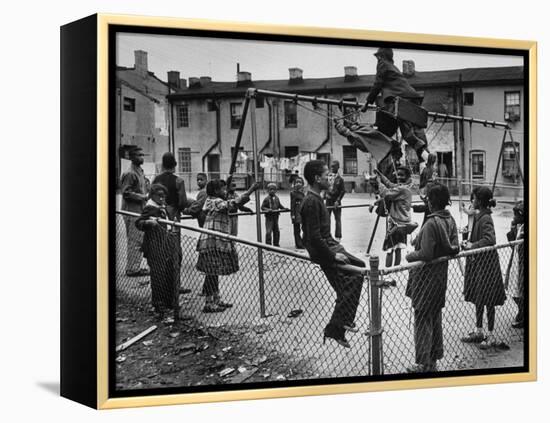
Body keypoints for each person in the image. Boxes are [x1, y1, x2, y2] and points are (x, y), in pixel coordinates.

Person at [300, 160, 366, 348]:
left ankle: (343, 319)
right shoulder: (311, 201)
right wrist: (332, 255)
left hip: (330, 245)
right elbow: (312, 237)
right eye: (326, 175)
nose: (330, 178)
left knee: (359, 268)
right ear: (316, 178)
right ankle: (336, 327)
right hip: (325, 250)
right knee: (351, 280)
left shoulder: (316, 197)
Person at [405, 182, 459, 373]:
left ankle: (422, 363)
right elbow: (449, 246)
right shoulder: (449, 219)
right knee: (434, 318)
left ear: (431, 201)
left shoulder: (431, 223)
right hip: (439, 279)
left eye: (427, 197)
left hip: (425, 279)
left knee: (421, 319)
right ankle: (433, 360)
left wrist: (410, 255)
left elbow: (426, 254)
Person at [196, 180, 258, 313]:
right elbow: (232, 203)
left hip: (217, 240)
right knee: (211, 272)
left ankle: (216, 299)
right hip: (212, 241)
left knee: (214, 271)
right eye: (223, 189)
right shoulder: (213, 201)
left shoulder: (216, 201)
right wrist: (250, 190)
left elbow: (234, 203)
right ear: (215, 191)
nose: (225, 191)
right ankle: (209, 302)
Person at [360, 47, 430, 165]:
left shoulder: (383, 65)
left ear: (382, 56)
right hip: (413, 98)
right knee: (416, 131)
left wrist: (367, 103)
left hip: (402, 99)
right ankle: (426, 156)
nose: (377, 59)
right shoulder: (394, 68)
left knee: (406, 133)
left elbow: (377, 84)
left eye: (378, 57)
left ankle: (426, 158)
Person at [461, 187, 506, 349]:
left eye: (473, 199)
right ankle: (479, 330)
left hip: (486, 264)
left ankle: (491, 334)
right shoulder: (477, 216)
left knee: (489, 300)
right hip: (477, 263)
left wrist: (473, 245)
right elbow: (475, 234)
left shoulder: (486, 217)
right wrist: (466, 236)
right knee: (478, 297)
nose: (471, 201)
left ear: (479, 201)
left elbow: (490, 239)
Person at [135, 184, 182, 318]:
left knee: (168, 273)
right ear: (152, 196)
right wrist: (149, 223)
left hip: (165, 245)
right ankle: (158, 304)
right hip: (155, 247)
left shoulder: (162, 208)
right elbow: (138, 222)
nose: (162, 198)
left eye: (164, 196)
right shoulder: (150, 208)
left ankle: (169, 302)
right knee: (158, 276)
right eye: (159, 196)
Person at [153, 152, 192, 294]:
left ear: (163, 165)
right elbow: (182, 201)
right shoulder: (179, 181)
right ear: (175, 165)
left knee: (161, 248)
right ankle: (176, 284)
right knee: (175, 249)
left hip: (158, 213)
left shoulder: (156, 179)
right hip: (173, 215)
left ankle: (162, 284)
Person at [374, 166, 416, 267]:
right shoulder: (405, 186)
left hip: (396, 223)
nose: (398, 177)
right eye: (398, 174)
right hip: (404, 223)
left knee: (389, 249)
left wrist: (378, 182)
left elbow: (386, 193)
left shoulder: (402, 189)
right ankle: (396, 270)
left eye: (401, 175)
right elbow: (390, 184)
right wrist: (381, 174)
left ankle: (388, 271)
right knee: (398, 248)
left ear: (407, 177)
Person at [120, 146, 150, 277]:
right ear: (132, 157)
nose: (141, 157)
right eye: (138, 155)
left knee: (138, 239)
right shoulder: (130, 173)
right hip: (131, 211)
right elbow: (126, 193)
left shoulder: (140, 171)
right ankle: (132, 269)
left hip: (139, 210)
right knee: (134, 240)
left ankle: (135, 266)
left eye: (142, 155)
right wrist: (143, 197)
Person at [506, 200, 525, 329]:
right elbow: (512, 244)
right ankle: (521, 310)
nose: (514, 218)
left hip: (522, 264)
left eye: (516, 215)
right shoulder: (518, 227)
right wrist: (512, 229)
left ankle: (524, 314)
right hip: (516, 261)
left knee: (522, 289)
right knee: (514, 289)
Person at [325, 160, 346, 240]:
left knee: (337, 219)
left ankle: (338, 236)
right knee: (326, 218)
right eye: (331, 166)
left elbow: (343, 191)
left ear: (338, 167)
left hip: (336, 201)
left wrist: (338, 200)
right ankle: (327, 235)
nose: (332, 168)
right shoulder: (328, 177)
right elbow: (324, 187)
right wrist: (324, 195)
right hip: (328, 200)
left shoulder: (340, 179)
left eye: (334, 166)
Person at [261, 182, 285, 247]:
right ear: (268, 190)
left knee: (276, 230)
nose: (272, 191)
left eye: (274, 189)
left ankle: (276, 243)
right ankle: (268, 244)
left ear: (276, 190)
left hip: (276, 216)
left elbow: (279, 205)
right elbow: (262, 207)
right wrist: (268, 210)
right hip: (269, 217)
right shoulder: (266, 199)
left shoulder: (277, 198)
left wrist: (284, 208)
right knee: (269, 231)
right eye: (270, 189)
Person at [290, 176, 305, 249]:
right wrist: (292, 214)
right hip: (297, 212)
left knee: (305, 228)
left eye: (300, 182)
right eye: (297, 182)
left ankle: (303, 242)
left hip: (303, 212)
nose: (298, 184)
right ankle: (298, 243)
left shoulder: (303, 193)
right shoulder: (293, 193)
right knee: (297, 229)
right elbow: (292, 204)